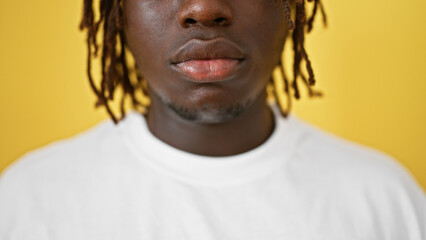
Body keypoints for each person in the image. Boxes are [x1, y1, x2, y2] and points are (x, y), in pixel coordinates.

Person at [0, 0, 425, 239]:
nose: (203, 9)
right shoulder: (25, 203)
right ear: (118, 13)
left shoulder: (387, 203)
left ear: (292, 8)